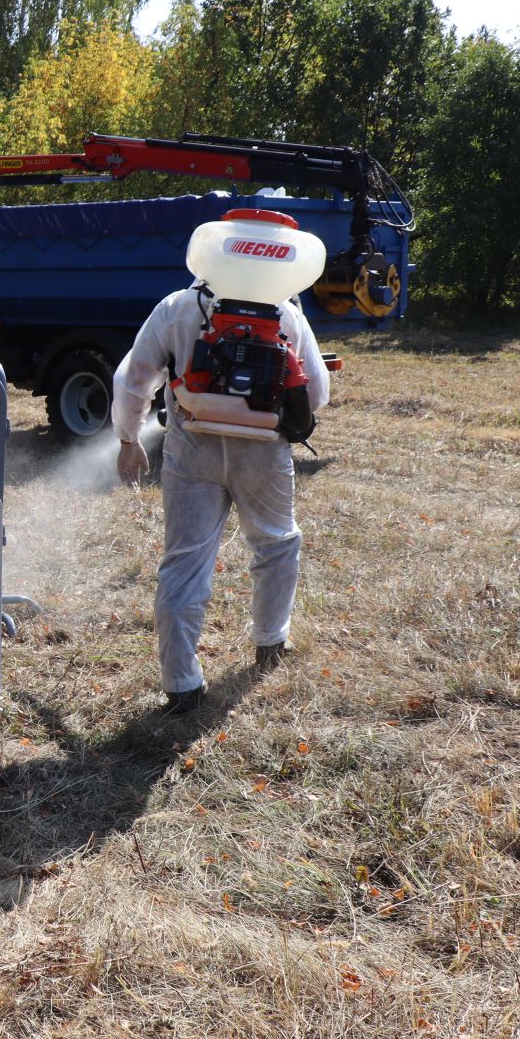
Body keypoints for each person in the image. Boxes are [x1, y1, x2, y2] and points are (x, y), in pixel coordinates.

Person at [112, 280, 331, 716]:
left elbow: (134, 379)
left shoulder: (175, 305)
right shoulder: (284, 311)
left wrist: (127, 438)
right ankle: (271, 641)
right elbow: (316, 394)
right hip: (264, 451)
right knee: (275, 543)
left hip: (191, 448)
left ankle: (181, 685)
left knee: (185, 562)